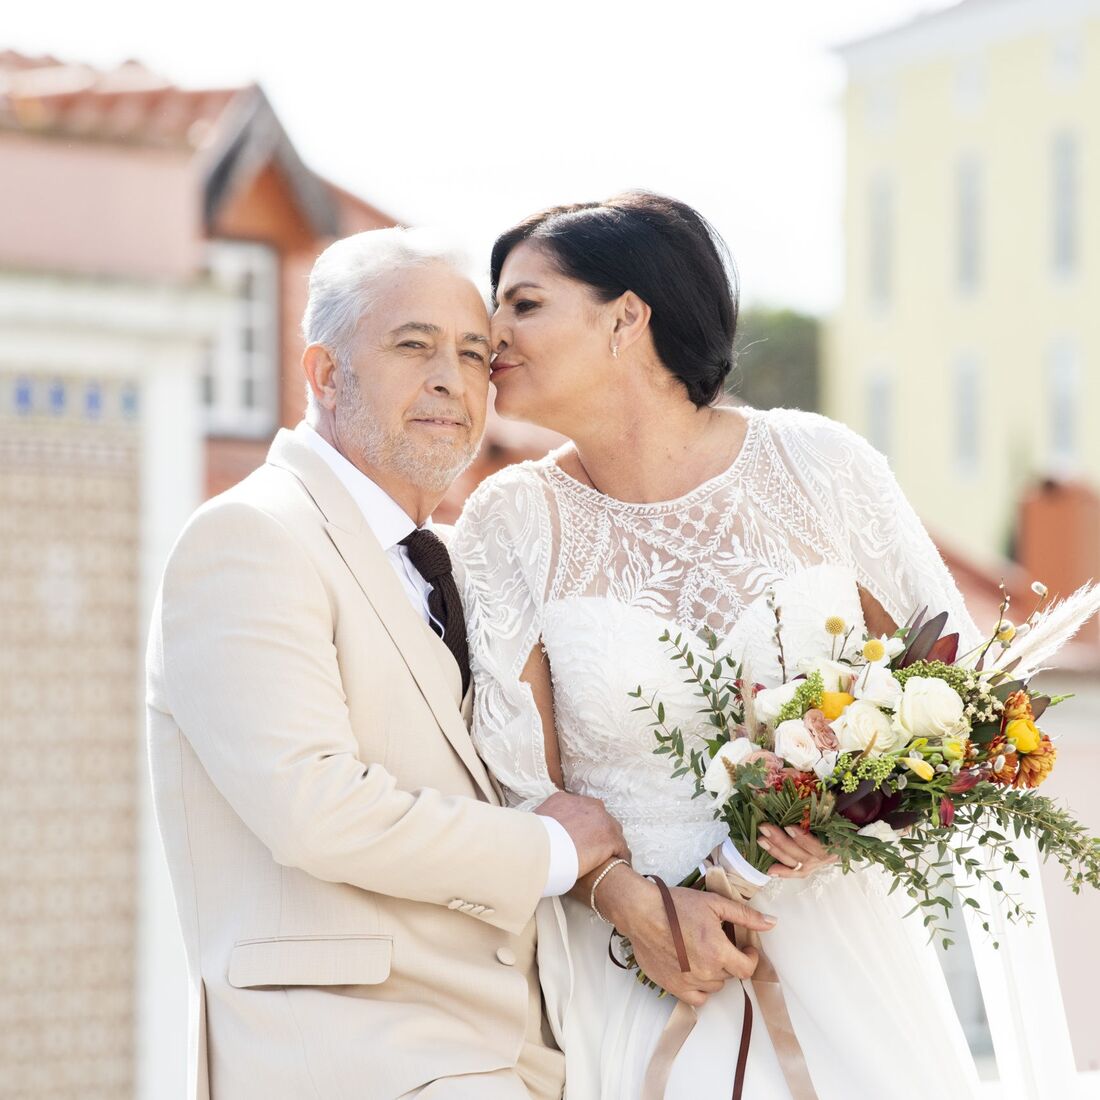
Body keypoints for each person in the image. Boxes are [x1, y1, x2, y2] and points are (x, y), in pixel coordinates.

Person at [451, 192, 985, 1098]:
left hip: (842, 954)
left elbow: (956, 696)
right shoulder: (509, 521)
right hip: (639, 972)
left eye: (524, 303)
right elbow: (515, 785)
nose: (491, 333)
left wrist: (853, 803)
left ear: (628, 316)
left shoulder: (821, 466)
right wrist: (633, 904)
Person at [146, 228, 636, 1100]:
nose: (452, 377)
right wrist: (552, 851)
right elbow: (315, 808)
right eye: (415, 346)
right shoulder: (249, 537)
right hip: (345, 1056)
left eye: (474, 352)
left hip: (524, 1056)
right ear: (326, 374)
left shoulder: (454, 558)